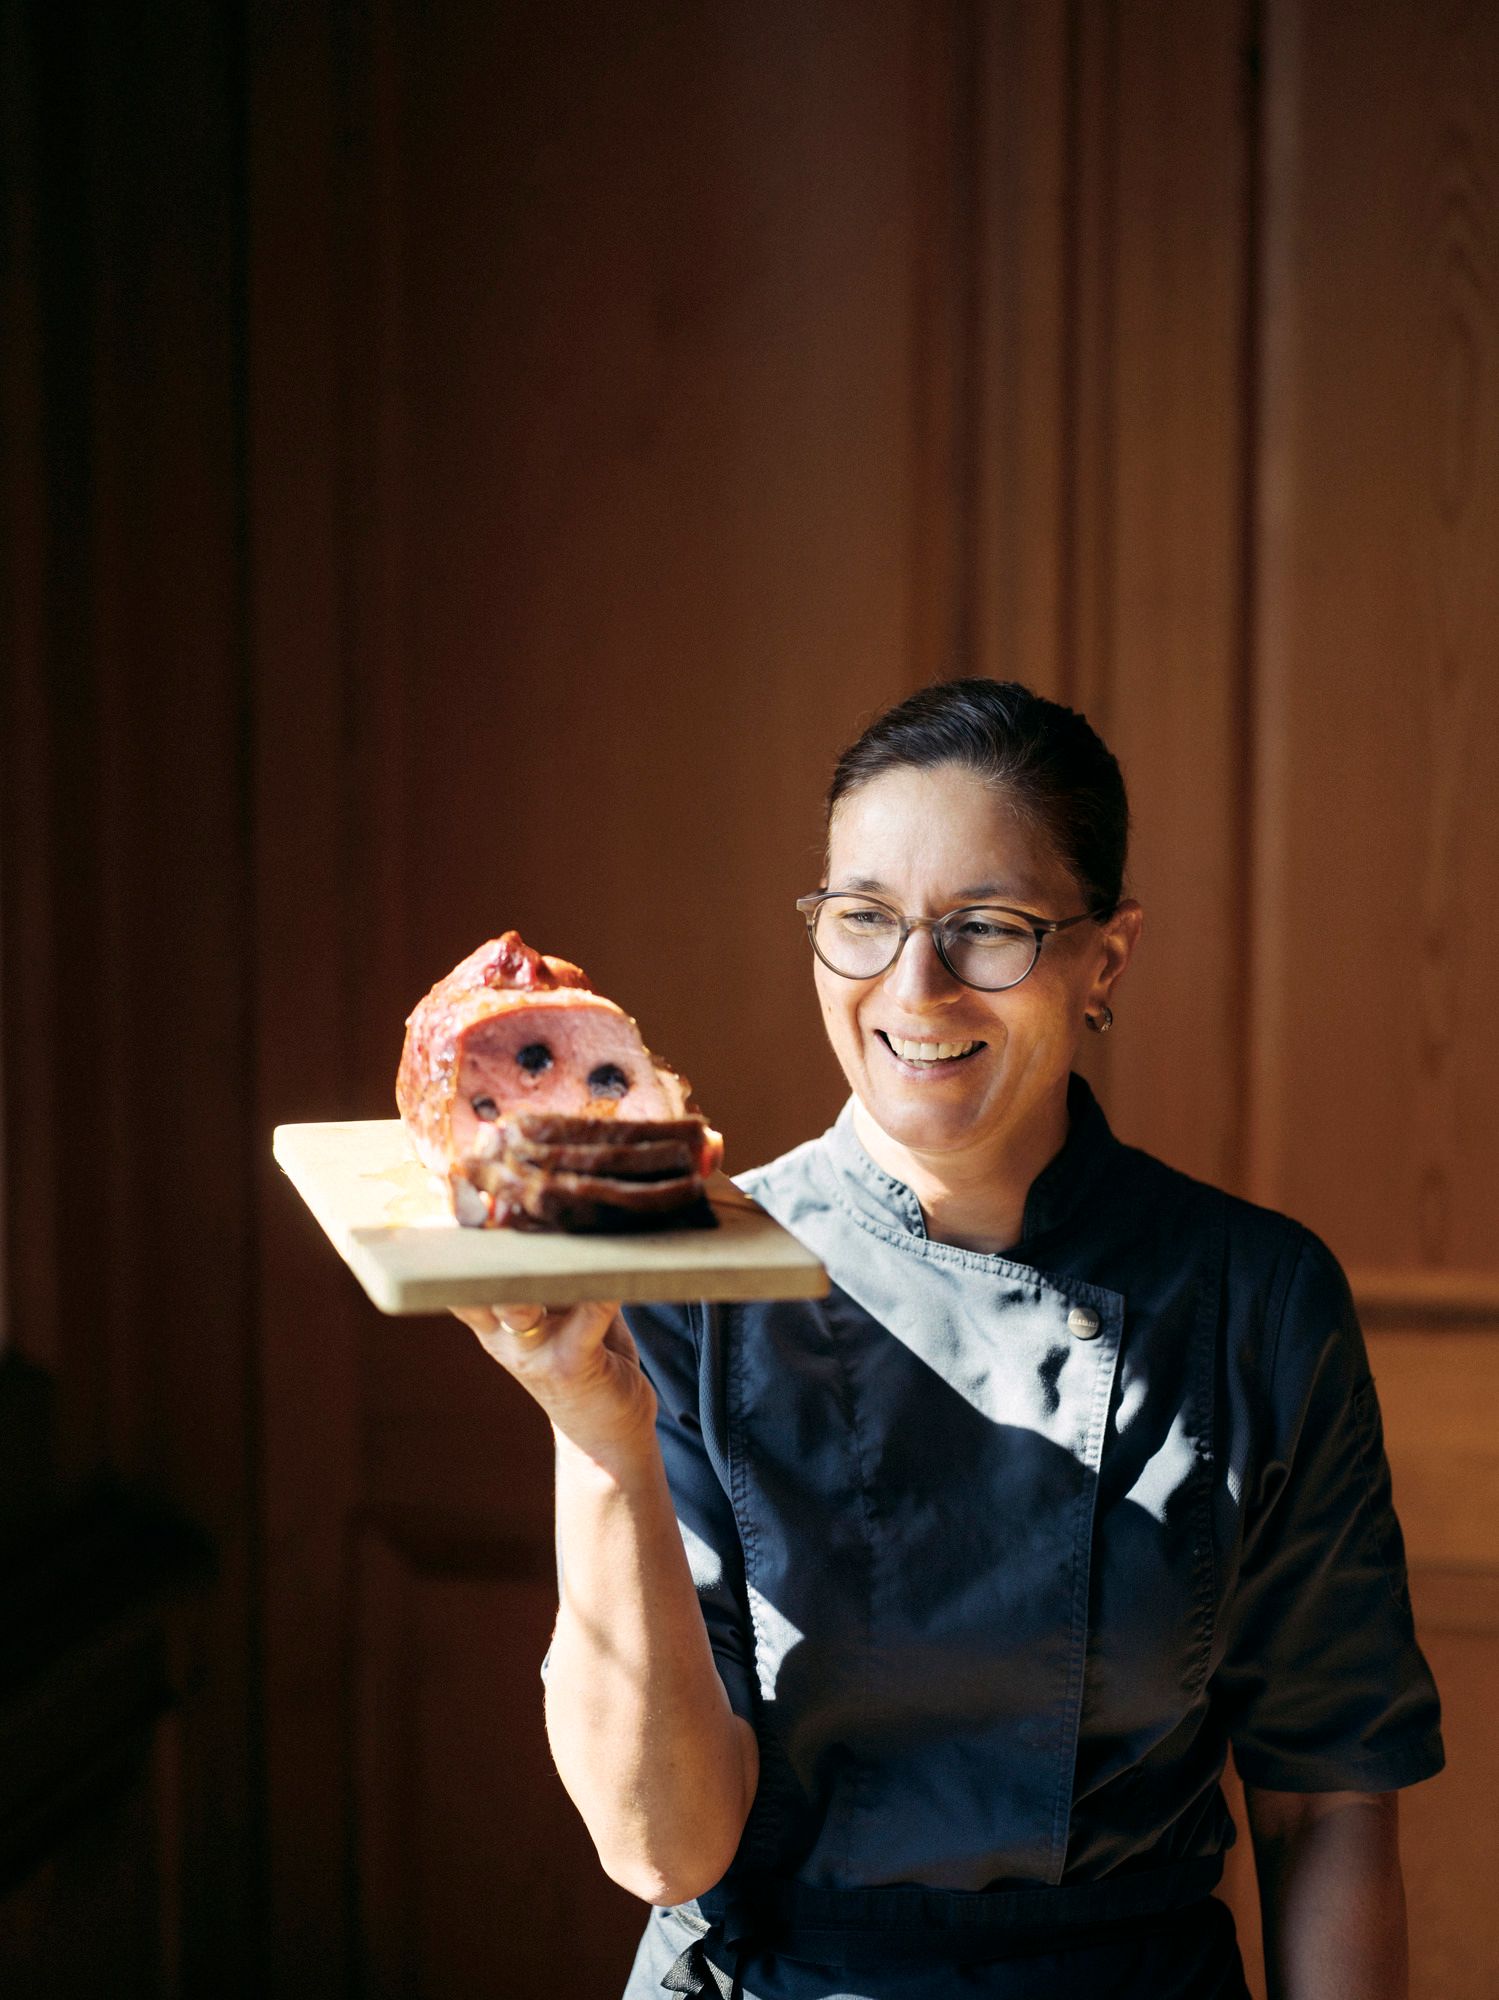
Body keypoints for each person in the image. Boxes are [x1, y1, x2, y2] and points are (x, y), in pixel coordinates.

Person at [452, 680, 1443, 2000]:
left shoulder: (1259, 1300)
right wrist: (594, 1417)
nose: (912, 986)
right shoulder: (682, 1276)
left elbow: (1326, 1809)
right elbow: (661, 1846)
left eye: (987, 929)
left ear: (1108, 957)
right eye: (862, 919)